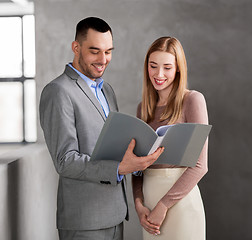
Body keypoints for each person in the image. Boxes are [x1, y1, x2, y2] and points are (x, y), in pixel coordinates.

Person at [39, 17, 164, 240]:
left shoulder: (107, 90)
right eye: (94, 51)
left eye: (108, 51)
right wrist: (119, 168)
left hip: (115, 215)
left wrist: (136, 160)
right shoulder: (58, 91)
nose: (103, 59)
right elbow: (65, 161)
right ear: (76, 48)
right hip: (84, 222)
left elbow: (111, 146)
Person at [132, 36, 209, 240]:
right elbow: (138, 169)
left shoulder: (192, 100)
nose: (159, 74)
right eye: (153, 66)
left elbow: (200, 165)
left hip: (180, 204)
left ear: (178, 68)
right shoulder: (143, 109)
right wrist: (139, 205)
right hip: (149, 207)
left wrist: (164, 205)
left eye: (167, 67)